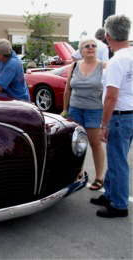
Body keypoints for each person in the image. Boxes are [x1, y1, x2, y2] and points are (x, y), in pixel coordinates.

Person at [91, 15, 133, 218]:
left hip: (120, 116)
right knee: (118, 157)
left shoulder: (117, 61)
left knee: (117, 161)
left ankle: (119, 204)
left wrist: (104, 125)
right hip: (130, 115)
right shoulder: (131, 55)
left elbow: (111, 97)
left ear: (107, 36)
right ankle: (109, 193)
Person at [62, 37, 106, 191]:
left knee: (95, 144)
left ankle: (99, 177)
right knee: (75, 145)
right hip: (75, 109)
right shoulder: (74, 65)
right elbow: (68, 89)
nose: (91, 48)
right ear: (81, 50)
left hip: (94, 110)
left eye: (93, 46)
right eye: (87, 46)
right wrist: (65, 109)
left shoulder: (103, 66)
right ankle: (76, 173)